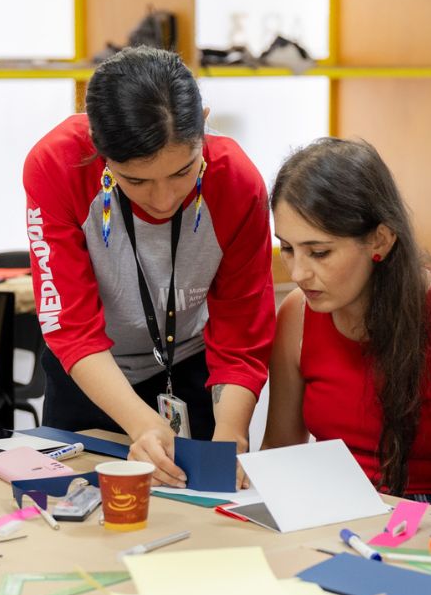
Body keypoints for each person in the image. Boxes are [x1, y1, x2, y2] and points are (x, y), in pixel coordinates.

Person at [22, 47, 275, 487]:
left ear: (205, 126)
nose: (162, 200)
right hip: (90, 373)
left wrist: (232, 434)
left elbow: (242, 332)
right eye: (136, 180)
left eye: (182, 172)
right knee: (82, 517)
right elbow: (71, 325)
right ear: (99, 151)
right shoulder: (56, 164)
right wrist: (140, 424)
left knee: (201, 519)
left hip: (191, 368)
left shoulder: (237, 182)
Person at [264, 139, 431, 518]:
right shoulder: (298, 313)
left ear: (380, 240)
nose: (298, 273)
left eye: (319, 253)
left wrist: (403, 541)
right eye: (287, 249)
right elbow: (280, 456)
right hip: (332, 509)